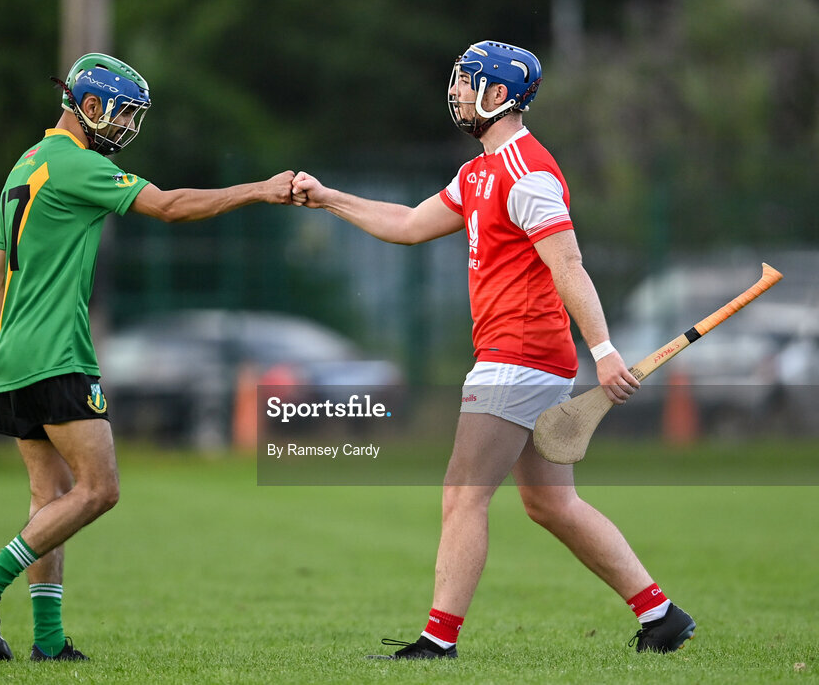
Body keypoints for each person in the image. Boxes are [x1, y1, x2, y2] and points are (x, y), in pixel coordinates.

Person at [291, 40, 695, 659]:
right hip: (522, 354)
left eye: (464, 81)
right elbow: (406, 225)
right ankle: (661, 616)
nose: (453, 90)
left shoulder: (528, 173)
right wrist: (330, 198)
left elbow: (569, 266)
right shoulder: (478, 171)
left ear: (497, 95)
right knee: (551, 504)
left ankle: (437, 641)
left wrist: (606, 350)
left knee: (463, 493)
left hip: (520, 352)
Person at [0, 52, 294, 662]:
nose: (126, 129)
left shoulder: (23, 166)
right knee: (100, 489)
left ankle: (49, 644)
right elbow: (170, 205)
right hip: (58, 356)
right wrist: (261, 190)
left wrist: (11, 343)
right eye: (122, 114)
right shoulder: (74, 164)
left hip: (20, 356)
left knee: (48, 501)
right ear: (88, 105)